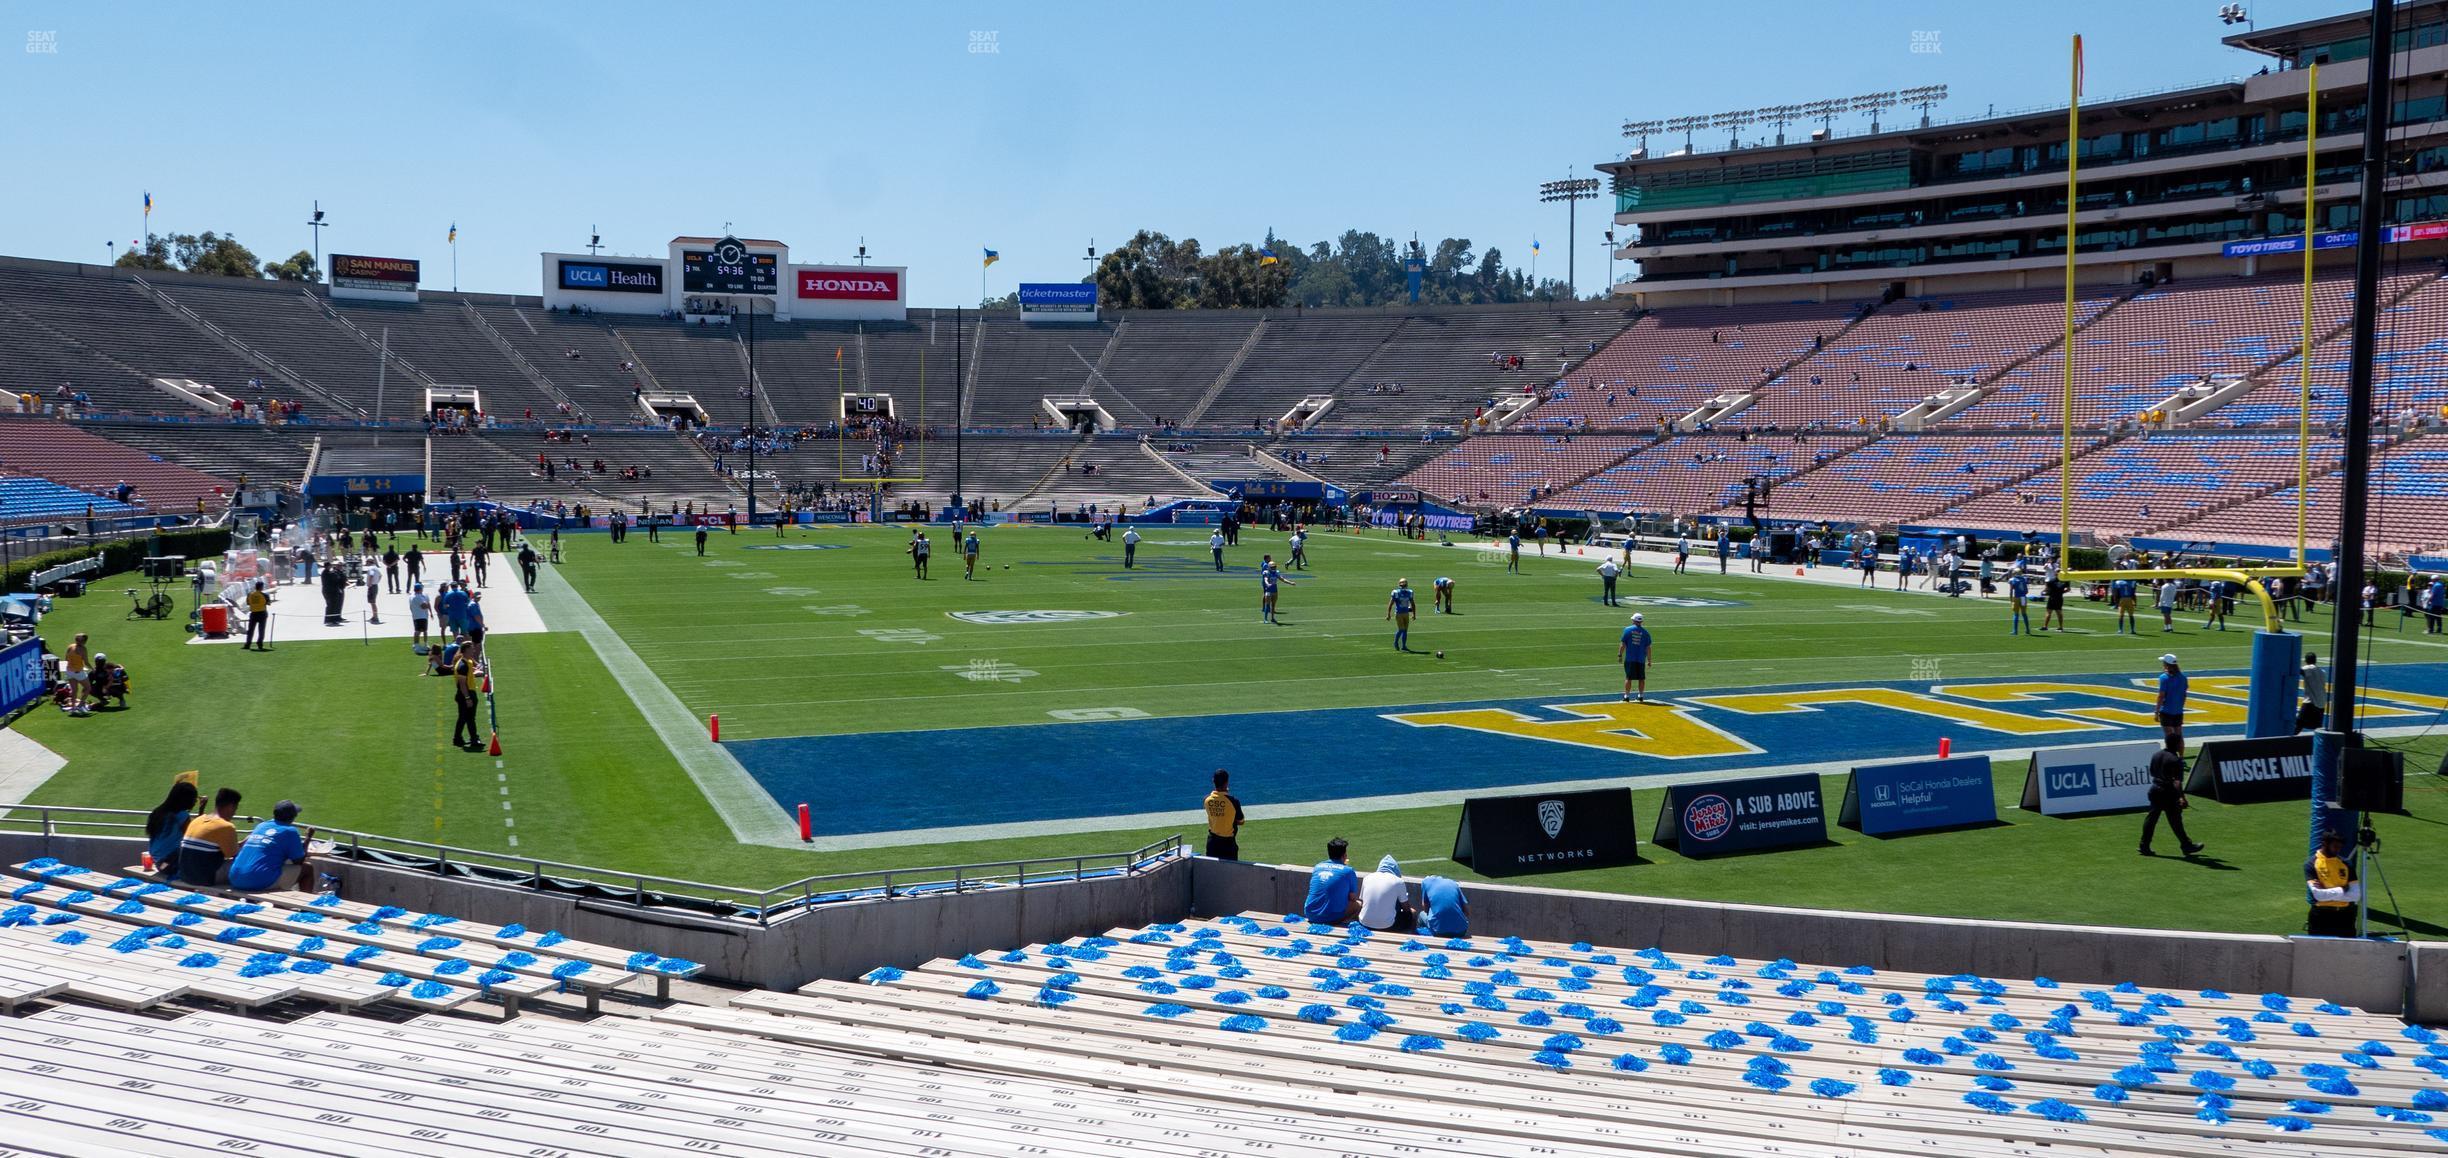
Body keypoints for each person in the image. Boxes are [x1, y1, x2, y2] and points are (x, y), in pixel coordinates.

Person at [226, 799, 316, 893]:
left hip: (235, 878)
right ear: (293, 817)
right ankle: (305, 906)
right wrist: (308, 837)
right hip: (257, 881)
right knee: (307, 868)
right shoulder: (289, 831)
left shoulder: (261, 825)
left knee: (273, 867)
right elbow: (299, 861)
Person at [2138, 743, 2203, 858]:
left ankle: (2144, 845)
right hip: (2167, 792)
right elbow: (2177, 782)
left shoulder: (2156, 755)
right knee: (2175, 820)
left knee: (2152, 818)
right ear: (2177, 746)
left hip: (2154, 789)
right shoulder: (2175, 760)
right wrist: (2182, 797)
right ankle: (2186, 845)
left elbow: (2152, 772)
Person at [176, 787, 244, 887]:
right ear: (230, 806)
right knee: (245, 865)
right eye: (235, 809)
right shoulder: (226, 826)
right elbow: (236, 855)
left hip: (185, 875)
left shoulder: (197, 820)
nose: (235, 813)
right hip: (205, 878)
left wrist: (243, 842)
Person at [2304, 828, 2360, 936]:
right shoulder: (2311, 864)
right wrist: (2343, 889)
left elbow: (2356, 895)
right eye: (2335, 846)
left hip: (2345, 917)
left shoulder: (2346, 863)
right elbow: (2319, 896)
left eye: (2340, 847)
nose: (2338, 850)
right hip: (2321, 917)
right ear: (2324, 844)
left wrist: (2327, 892)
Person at [143, 777, 200, 877]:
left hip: (159, 863)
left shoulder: (158, 812)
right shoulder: (182, 816)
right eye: (194, 798)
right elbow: (194, 836)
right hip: (170, 864)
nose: (195, 801)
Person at [1301, 837, 1362, 924]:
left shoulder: (1318, 866)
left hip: (1310, 914)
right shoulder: (1348, 871)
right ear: (1344, 855)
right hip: (1331, 917)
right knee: (1358, 904)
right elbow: (1352, 897)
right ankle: (1342, 924)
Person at [1356, 854, 1415, 932]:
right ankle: (1408, 935)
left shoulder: (1367, 877)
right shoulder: (1398, 881)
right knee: (1413, 913)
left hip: (1364, 923)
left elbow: (1363, 902)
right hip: (1387, 926)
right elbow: (1406, 908)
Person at [1202, 769, 1245, 860]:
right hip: (1228, 844)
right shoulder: (1233, 801)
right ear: (1227, 782)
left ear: (1213, 782)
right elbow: (1241, 821)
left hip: (1212, 843)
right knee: (1230, 871)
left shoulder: (1206, 800)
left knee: (1211, 870)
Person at [451, 644, 482, 750]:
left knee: (466, 718)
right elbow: (462, 684)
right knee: (466, 718)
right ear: (464, 651)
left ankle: (467, 738)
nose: (473, 651)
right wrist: (467, 698)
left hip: (469, 692)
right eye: (471, 649)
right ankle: (466, 739)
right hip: (465, 694)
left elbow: (472, 671)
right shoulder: (462, 665)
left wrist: (478, 671)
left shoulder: (467, 662)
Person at [2155, 654, 2189, 750]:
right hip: (2178, 711)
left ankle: (2170, 755)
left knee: (2169, 736)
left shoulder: (2164, 677)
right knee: (2179, 735)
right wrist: (2180, 707)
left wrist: (2156, 711)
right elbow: (2184, 695)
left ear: (2166, 664)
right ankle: (2181, 757)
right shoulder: (2183, 677)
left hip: (2166, 711)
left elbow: (2161, 696)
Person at [1620, 612, 1653, 703]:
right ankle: (1641, 695)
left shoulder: (1627, 630)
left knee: (1628, 678)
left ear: (1633, 620)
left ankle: (1626, 696)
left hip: (1630, 659)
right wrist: (1649, 660)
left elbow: (1623, 644)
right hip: (1641, 659)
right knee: (1641, 678)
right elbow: (1648, 647)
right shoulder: (1646, 633)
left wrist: (1620, 654)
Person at [2298, 651, 2329, 733]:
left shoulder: (2307, 668)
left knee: (2298, 724)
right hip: (2321, 702)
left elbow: (2298, 671)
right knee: (2317, 727)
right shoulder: (2322, 672)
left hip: (2311, 701)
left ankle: (2286, 742)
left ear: (2306, 660)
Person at [1386, 578, 1416, 652]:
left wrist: (1414, 614)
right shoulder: (1396, 592)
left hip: (1406, 613)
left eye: (1404, 584)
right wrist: (1388, 614)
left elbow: (1412, 603)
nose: (1403, 585)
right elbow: (1390, 604)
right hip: (1399, 613)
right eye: (1402, 584)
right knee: (1401, 629)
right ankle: (1395, 642)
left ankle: (1404, 646)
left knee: (1405, 630)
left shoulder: (1410, 592)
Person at [1259, 554, 1290, 624]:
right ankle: (1265, 619)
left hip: (1275, 590)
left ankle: (1272, 618)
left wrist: (1290, 583)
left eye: (1274, 567)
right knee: (1267, 604)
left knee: (1273, 605)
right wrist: (1267, 584)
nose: (1273, 568)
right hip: (1269, 590)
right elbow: (1265, 579)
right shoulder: (1266, 572)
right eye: (1272, 567)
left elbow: (1282, 579)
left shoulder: (1276, 573)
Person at [243, 582, 272, 651]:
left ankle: (248, 644)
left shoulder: (250, 594)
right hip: (262, 613)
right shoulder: (265, 595)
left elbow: (248, 603)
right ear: (261, 587)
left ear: (255, 587)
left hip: (253, 613)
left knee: (250, 630)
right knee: (261, 630)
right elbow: (269, 603)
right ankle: (260, 644)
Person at [2007, 568, 2033, 636]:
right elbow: (2026, 591)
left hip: (2017, 597)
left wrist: (2011, 599)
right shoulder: (2024, 579)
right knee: (2024, 614)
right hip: (2023, 597)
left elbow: (2011, 591)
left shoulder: (2012, 580)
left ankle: (2015, 631)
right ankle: (2027, 629)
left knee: (2016, 614)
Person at [408, 583, 432, 650]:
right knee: (422, 631)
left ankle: (416, 644)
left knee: (417, 631)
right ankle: (423, 644)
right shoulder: (418, 597)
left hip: (416, 615)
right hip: (421, 616)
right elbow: (424, 606)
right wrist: (427, 603)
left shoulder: (412, 596)